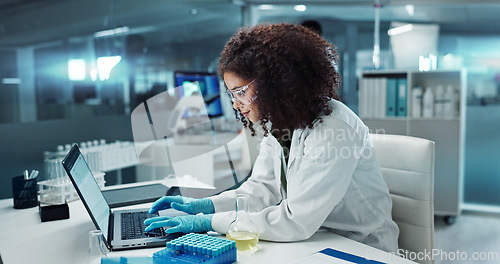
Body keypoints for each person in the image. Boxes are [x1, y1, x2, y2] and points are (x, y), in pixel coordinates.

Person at [144, 23, 399, 253]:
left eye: (241, 92)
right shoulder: (280, 123)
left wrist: (208, 222)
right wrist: (205, 206)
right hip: (317, 238)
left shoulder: (334, 128)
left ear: (275, 83)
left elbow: (295, 220)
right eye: (231, 94)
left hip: (360, 246)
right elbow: (261, 190)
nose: (236, 104)